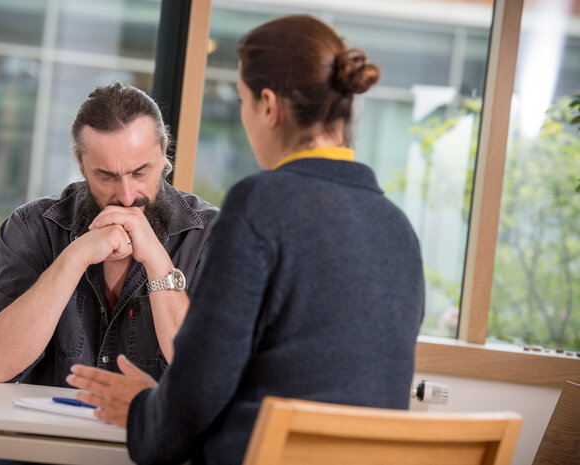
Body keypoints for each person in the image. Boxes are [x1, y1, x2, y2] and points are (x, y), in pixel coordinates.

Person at [67, 14, 425, 465]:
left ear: (269, 106)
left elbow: (198, 392)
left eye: (241, 100)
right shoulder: (399, 230)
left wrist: (142, 408)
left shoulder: (260, 204)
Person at [0, 82, 219, 388]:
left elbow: (207, 374)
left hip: (155, 435)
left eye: (140, 172)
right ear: (80, 163)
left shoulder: (210, 235)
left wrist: (157, 262)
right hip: (46, 436)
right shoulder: (31, 228)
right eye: (107, 176)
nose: (127, 197)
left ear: (164, 150)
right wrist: (75, 257)